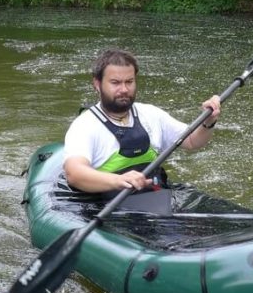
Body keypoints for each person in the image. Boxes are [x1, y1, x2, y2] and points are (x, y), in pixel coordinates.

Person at [63, 49, 221, 194]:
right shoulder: (85, 125)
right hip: (108, 207)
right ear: (97, 85)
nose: (124, 89)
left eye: (129, 82)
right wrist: (119, 180)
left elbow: (192, 142)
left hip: (154, 200)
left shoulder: (150, 114)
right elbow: (74, 173)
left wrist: (208, 121)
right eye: (115, 83)